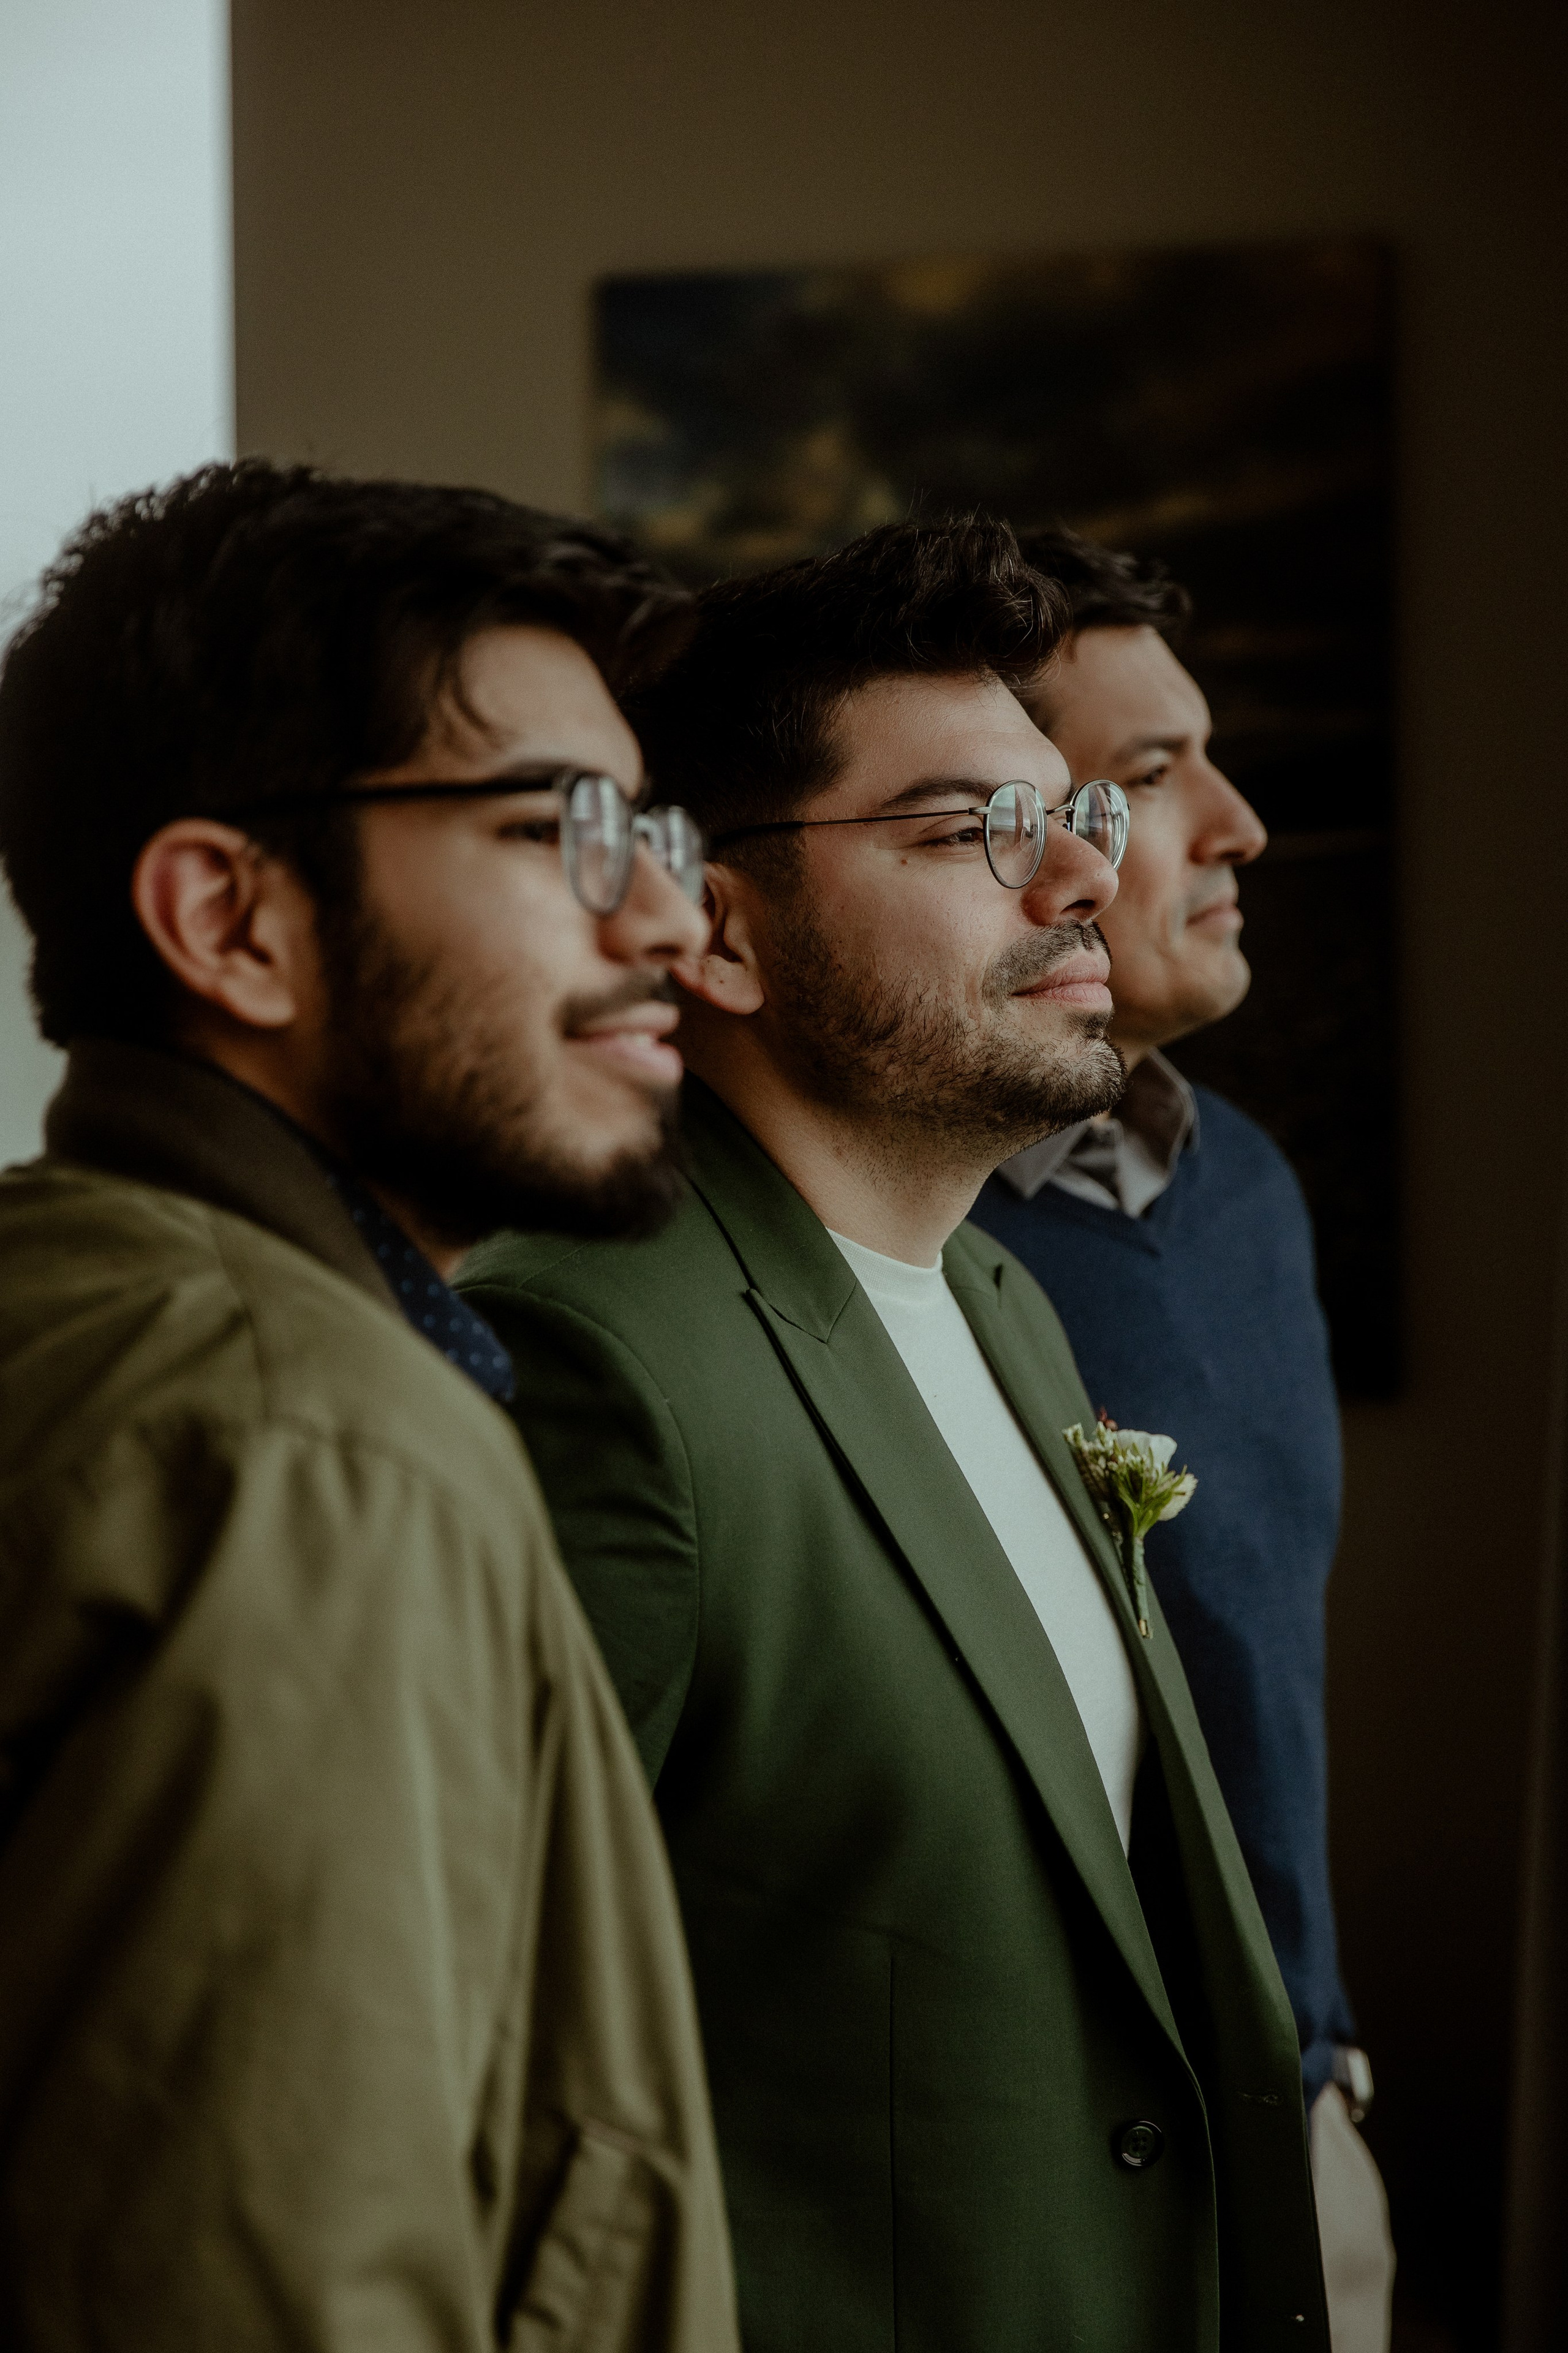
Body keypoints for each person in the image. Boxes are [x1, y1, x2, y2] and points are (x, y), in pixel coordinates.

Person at [459, 521, 1330, 2353]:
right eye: (972, 832)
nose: (1080, 877)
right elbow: (477, 2058)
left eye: (1067, 817)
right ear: (721, 923)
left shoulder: (1012, 1309)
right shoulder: (594, 1355)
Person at [0, 461, 739, 2352]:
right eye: (556, 827)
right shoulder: (308, 1449)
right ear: (229, 919)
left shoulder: (91, 1310)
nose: (670, 917)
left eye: (651, 821)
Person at [968, 524, 1395, 2352]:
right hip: (1041, 2190)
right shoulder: (914, 1250)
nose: (1237, 825)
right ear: (1005, 839)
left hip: (1305, 2116)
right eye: (1149, 775)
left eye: (1203, 755)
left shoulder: (1253, 1196)